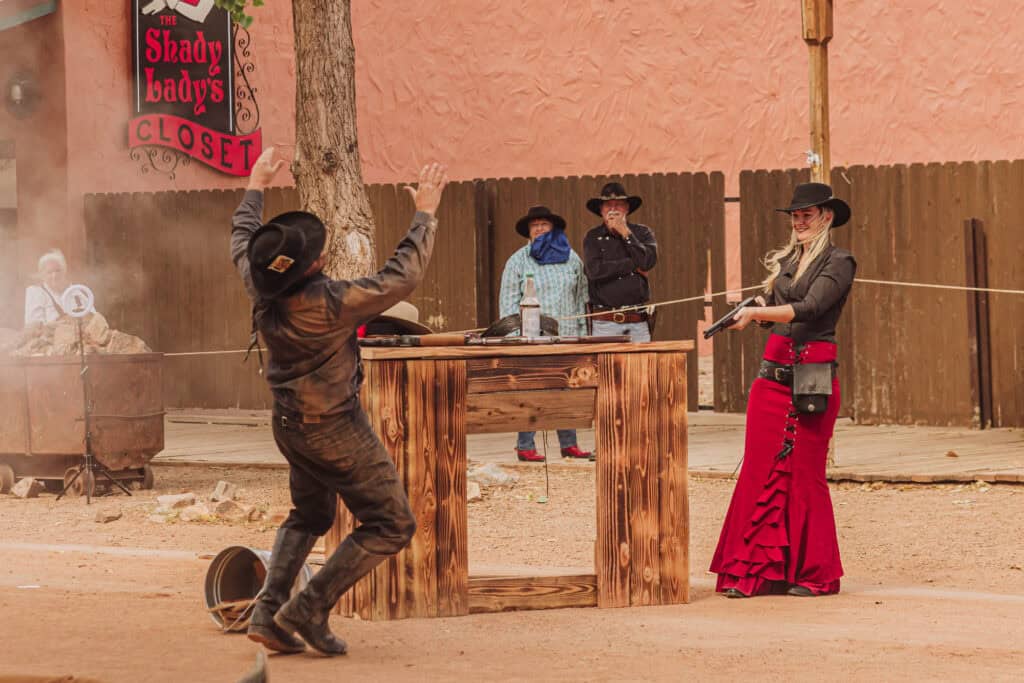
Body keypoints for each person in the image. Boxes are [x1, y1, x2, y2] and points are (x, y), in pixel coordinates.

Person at [232, 147, 448, 655]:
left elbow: (242, 239)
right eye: (318, 253)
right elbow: (401, 278)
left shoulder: (259, 284)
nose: (323, 253)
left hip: (289, 423)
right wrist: (426, 213)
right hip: (334, 428)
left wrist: (255, 185)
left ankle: (267, 614)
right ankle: (306, 608)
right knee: (391, 523)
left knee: (308, 515)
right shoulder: (328, 304)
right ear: (312, 267)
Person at [709, 182, 856, 598]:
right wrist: (748, 311)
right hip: (771, 377)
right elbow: (775, 304)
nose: (799, 221)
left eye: (807, 214)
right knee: (759, 470)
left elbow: (810, 308)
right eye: (795, 215)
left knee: (806, 475)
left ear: (826, 216)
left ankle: (815, 573)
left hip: (812, 375)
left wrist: (759, 312)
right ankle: (753, 573)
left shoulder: (840, 261)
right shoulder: (790, 260)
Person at [498, 205, 591, 462]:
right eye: (534, 225)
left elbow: (583, 296)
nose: (539, 228)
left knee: (568, 388)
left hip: (568, 334)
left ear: (553, 228)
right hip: (532, 334)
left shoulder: (572, 259)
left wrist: (583, 333)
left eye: (544, 224)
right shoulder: (518, 260)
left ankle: (569, 444)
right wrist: (514, 337)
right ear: (528, 231)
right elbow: (507, 302)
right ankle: (525, 445)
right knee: (533, 390)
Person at [582, 182, 658, 341]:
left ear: (627, 209)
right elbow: (594, 271)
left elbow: (647, 262)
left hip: (638, 320)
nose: (613, 209)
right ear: (601, 210)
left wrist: (626, 233)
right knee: (605, 366)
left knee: (642, 365)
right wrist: (631, 264)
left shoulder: (642, 233)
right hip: (604, 322)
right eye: (608, 205)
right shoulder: (592, 236)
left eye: (619, 205)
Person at [24, 249, 69, 325]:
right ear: (42, 274)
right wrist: (51, 326)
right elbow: (32, 326)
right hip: (50, 336)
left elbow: (92, 316)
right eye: (49, 272)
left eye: (58, 270)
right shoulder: (36, 292)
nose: (54, 276)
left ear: (64, 271)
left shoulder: (74, 291)